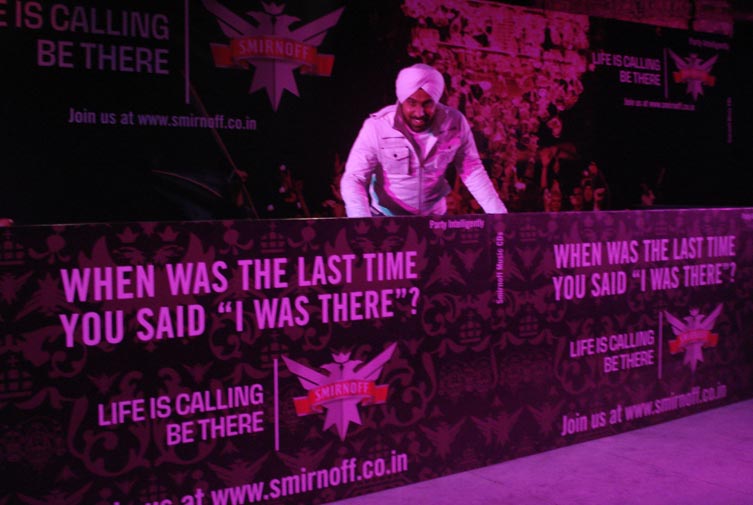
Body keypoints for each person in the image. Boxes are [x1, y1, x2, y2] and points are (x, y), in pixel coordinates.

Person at [340, 63, 507, 217]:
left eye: (427, 104)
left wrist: (499, 217)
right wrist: (361, 223)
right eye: (412, 103)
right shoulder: (377, 127)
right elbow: (354, 178)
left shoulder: (455, 123)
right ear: (401, 100)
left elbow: (472, 169)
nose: (419, 112)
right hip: (386, 218)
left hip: (434, 220)